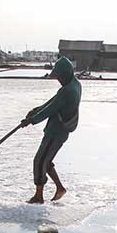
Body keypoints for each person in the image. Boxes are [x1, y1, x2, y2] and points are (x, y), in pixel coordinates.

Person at [21, 57, 82, 204]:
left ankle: (38, 196)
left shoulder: (68, 91)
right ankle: (60, 188)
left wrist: (31, 120)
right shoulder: (75, 84)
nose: (58, 80)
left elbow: (50, 109)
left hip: (56, 132)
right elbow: (53, 102)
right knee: (46, 162)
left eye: (59, 77)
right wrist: (35, 111)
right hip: (59, 131)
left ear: (65, 74)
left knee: (39, 161)